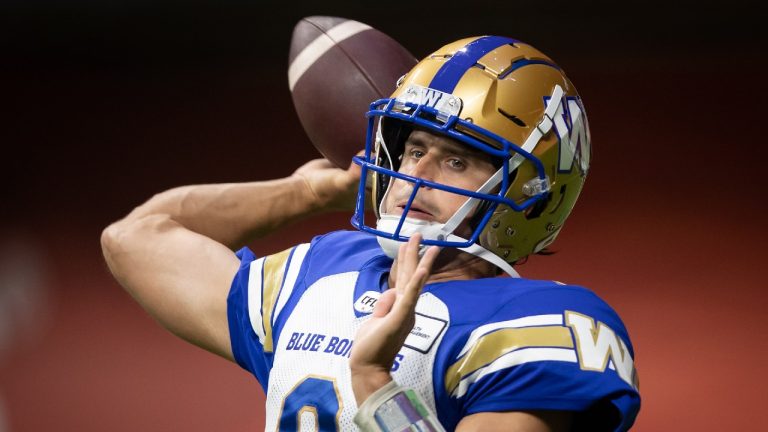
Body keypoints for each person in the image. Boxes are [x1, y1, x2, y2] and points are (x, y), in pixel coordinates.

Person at [102, 35, 640, 431]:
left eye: (457, 162)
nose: (416, 177)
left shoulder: (542, 325)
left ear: (532, 193)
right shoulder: (323, 270)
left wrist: (375, 381)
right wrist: (310, 193)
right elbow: (138, 237)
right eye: (412, 150)